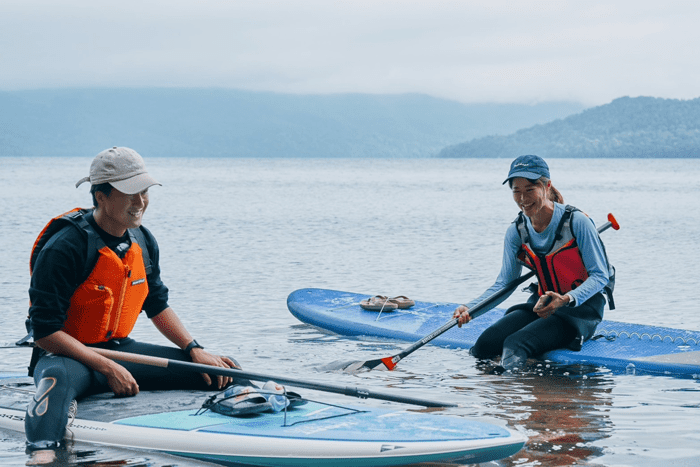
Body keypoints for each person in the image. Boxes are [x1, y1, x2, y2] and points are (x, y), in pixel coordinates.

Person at [24, 147, 253, 459]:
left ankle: (267, 424)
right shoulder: (65, 247)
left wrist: (194, 349)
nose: (140, 202)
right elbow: (45, 331)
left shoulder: (142, 241)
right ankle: (43, 455)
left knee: (223, 369)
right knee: (57, 382)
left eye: (144, 191)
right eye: (129, 193)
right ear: (100, 196)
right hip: (67, 356)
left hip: (119, 350)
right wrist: (106, 366)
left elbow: (156, 304)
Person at [453, 155, 614, 372]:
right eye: (516, 191)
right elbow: (504, 283)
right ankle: (486, 392)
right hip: (542, 306)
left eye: (530, 190)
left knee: (515, 344)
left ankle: (522, 400)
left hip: (579, 311)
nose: (522, 198)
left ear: (547, 186)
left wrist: (566, 299)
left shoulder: (577, 223)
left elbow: (601, 276)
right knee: (485, 344)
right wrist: (471, 309)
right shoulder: (516, 231)